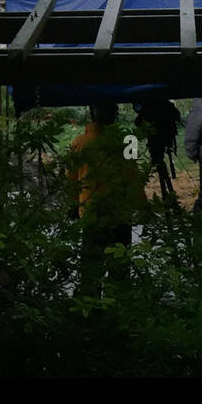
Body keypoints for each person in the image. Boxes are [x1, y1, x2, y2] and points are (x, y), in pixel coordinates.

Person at [69, 100, 147, 289]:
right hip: (120, 216)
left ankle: (90, 310)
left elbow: (71, 181)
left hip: (91, 214)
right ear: (116, 114)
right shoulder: (126, 142)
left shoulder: (79, 143)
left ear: (91, 113)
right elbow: (134, 180)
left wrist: (73, 206)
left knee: (90, 271)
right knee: (119, 270)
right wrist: (144, 208)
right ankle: (119, 309)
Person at [133, 96, 182, 201]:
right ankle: (170, 199)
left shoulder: (156, 106)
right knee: (160, 164)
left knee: (159, 163)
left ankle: (168, 198)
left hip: (158, 142)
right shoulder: (166, 105)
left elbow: (138, 122)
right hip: (160, 141)